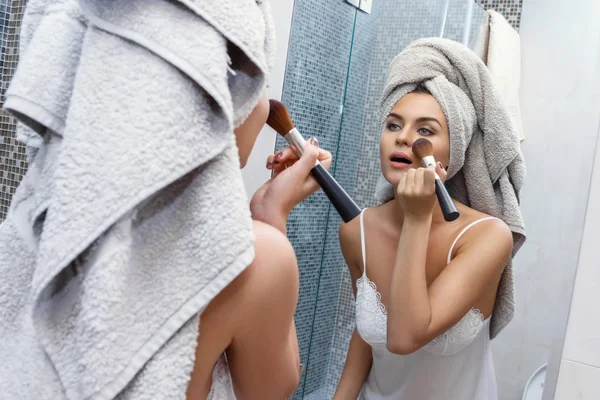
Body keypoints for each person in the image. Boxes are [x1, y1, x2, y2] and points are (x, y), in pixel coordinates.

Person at [332, 36, 526, 400]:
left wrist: (417, 220)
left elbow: (405, 336)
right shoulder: (356, 230)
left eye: (425, 130)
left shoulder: (486, 237)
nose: (403, 138)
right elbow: (365, 335)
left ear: (455, 151)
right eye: (393, 125)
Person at [186, 92, 332, 400]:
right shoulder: (250, 256)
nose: (265, 103)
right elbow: (275, 389)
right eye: (259, 82)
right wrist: (272, 216)